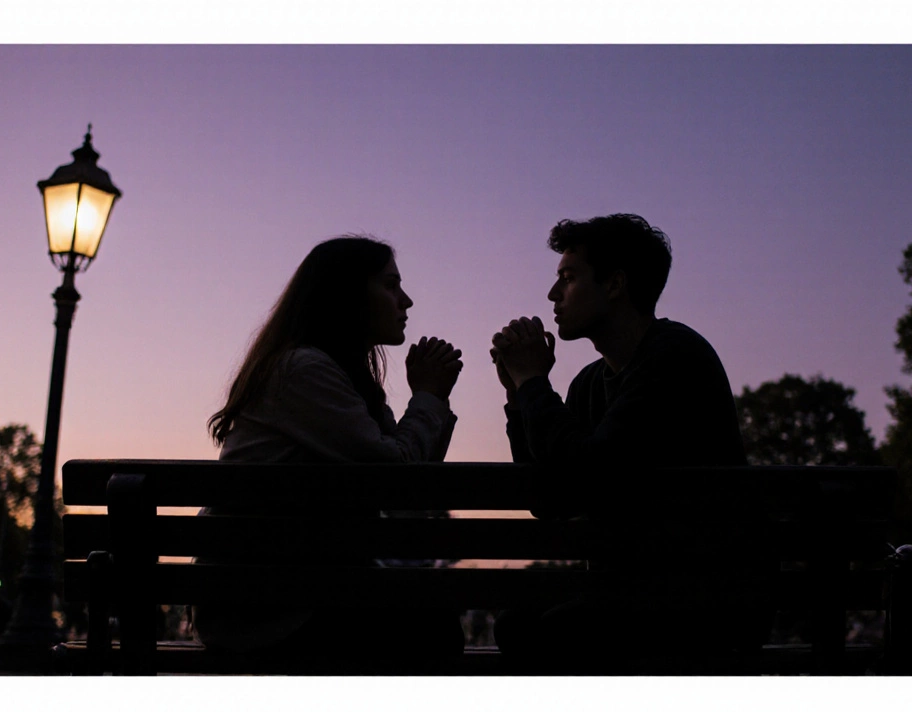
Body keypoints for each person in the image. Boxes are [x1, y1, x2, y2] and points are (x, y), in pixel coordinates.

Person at [489, 213, 762, 670]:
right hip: (633, 601)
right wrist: (520, 398)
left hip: (699, 606)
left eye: (569, 278)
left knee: (536, 634)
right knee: (516, 624)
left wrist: (534, 383)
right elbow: (549, 498)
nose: (553, 294)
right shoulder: (589, 383)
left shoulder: (675, 356)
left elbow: (592, 475)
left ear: (615, 284)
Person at [196, 235, 466, 661]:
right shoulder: (304, 371)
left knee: (432, 624)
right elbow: (397, 477)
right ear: (348, 294)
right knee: (434, 630)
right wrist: (429, 397)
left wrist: (429, 398)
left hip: (285, 595)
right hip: (267, 609)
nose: (406, 300)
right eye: (391, 285)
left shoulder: (332, 376)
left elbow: (409, 487)